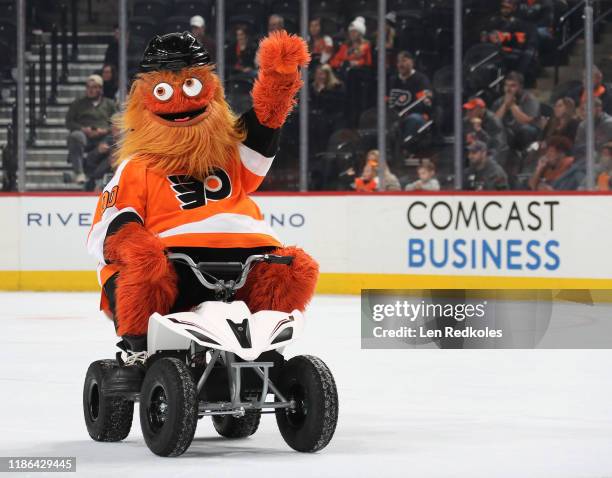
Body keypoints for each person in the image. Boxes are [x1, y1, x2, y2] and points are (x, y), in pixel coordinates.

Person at [87, 31, 315, 392]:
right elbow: (113, 225)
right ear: (144, 100)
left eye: (192, 87)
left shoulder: (227, 153)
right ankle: (141, 352)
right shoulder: (138, 166)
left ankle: (261, 358)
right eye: (164, 90)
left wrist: (278, 79)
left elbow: (265, 123)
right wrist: (136, 245)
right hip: (177, 265)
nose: (181, 101)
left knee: (292, 269)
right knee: (142, 270)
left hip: (248, 257)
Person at [65, 74, 117, 184]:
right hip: (84, 136)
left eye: (94, 87)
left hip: (103, 136)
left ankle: (94, 176)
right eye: (88, 87)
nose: (90, 90)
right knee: (75, 136)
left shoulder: (109, 104)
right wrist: (83, 129)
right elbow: (69, 122)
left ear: (100, 89)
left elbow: (117, 122)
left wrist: (105, 130)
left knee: (115, 141)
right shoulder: (78, 103)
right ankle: (79, 172)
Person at [481, 0, 539, 81]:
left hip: (513, 49)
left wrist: (507, 37)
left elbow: (523, 40)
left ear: (514, 8)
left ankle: (516, 79)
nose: (504, 10)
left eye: (507, 7)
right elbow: (485, 35)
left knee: (528, 53)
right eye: (503, 7)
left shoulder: (520, 23)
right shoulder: (494, 20)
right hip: (494, 49)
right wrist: (488, 36)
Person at [388, 51, 433, 141]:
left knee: (414, 119)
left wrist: (405, 114)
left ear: (412, 62)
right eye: (399, 61)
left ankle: (405, 149)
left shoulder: (421, 79)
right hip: (394, 116)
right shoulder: (392, 80)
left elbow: (425, 103)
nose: (401, 64)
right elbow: (387, 101)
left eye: (404, 61)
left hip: (415, 115)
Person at [493, 71, 540, 151]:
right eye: (506, 85)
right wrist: (505, 105)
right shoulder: (499, 101)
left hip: (527, 132)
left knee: (525, 129)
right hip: (507, 132)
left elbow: (526, 121)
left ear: (520, 87)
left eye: (513, 86)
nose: (508, 89)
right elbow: (494, 121)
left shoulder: (530, 99)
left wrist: (512, 105)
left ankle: (523, 154)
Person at [309, 64, 345, 153]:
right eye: (317, 74)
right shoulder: (313, 86)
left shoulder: (337, 86)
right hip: (318, 115)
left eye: (322, 74)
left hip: (333, 115)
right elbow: (313, 103)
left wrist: (322, 91)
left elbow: (333, 104)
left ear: (328, 75)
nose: (319, 77)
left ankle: (324, 151)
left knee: (321, 125)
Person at [83, 114, 121, 191]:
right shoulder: (107, 139)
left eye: (117, 125)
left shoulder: (132, 143)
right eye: (112, 125)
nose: (114, 128)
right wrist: (98, 151)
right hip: (104, 178)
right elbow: (90, 160)